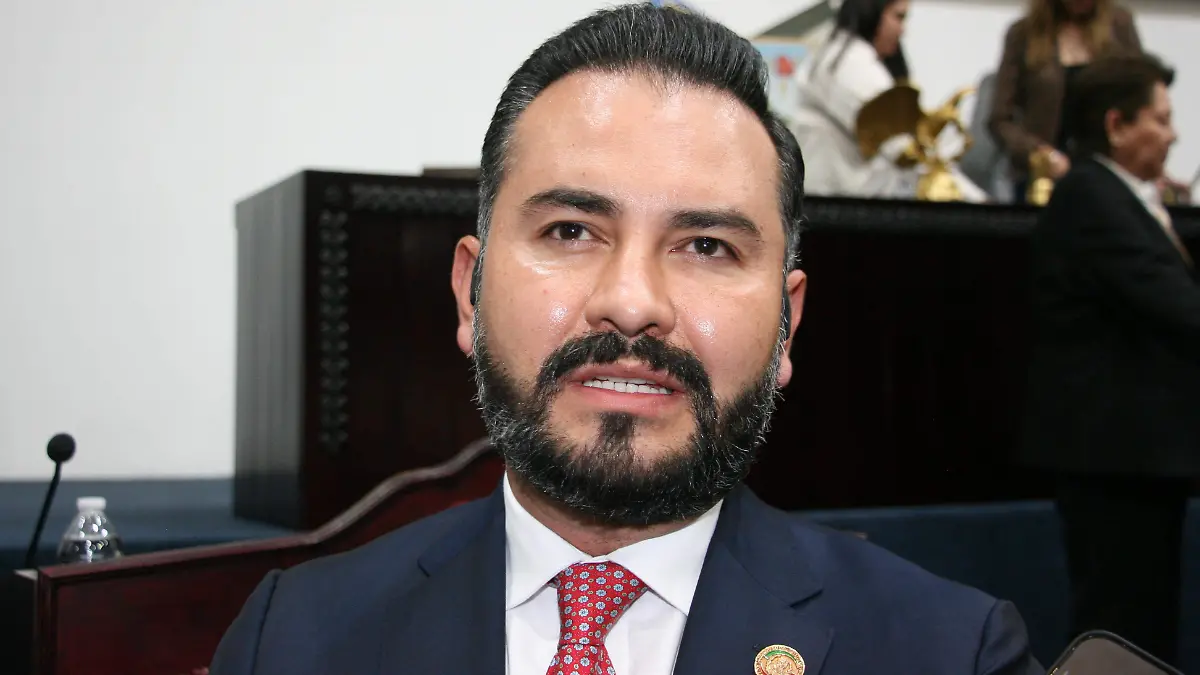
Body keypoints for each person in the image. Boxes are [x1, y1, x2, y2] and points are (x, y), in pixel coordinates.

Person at [209, 5, 1042, 674]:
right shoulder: (293, 638)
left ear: (788, 320)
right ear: (469, 289)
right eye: (571, 231)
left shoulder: (949, 650)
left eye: (706, 246)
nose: (633, 303)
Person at [1018, 52, 1197, 666]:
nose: (1173, 134)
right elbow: (1176, 306)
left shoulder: (1119, 195)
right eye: (1161, 118)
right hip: (1116, 455)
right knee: (1124, 626)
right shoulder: (1093, 196)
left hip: (1140, 456)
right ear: (1117, 124)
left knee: (1144, 621)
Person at [785, 0, 985, 200]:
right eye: (898, 17)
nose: (902, 30)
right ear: (870, 11)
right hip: (840, 202)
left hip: (830, 198)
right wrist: (976, 199)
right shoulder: (853, 65)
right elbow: (907, 150)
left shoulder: (835, 56)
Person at [988, 0, 1142, 202]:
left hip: (1106, 174)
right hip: (1042, 178)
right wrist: (1039, 155)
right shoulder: (1023, 33)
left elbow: (1141, 103)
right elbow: (1000, 120)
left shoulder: (1119, 25)